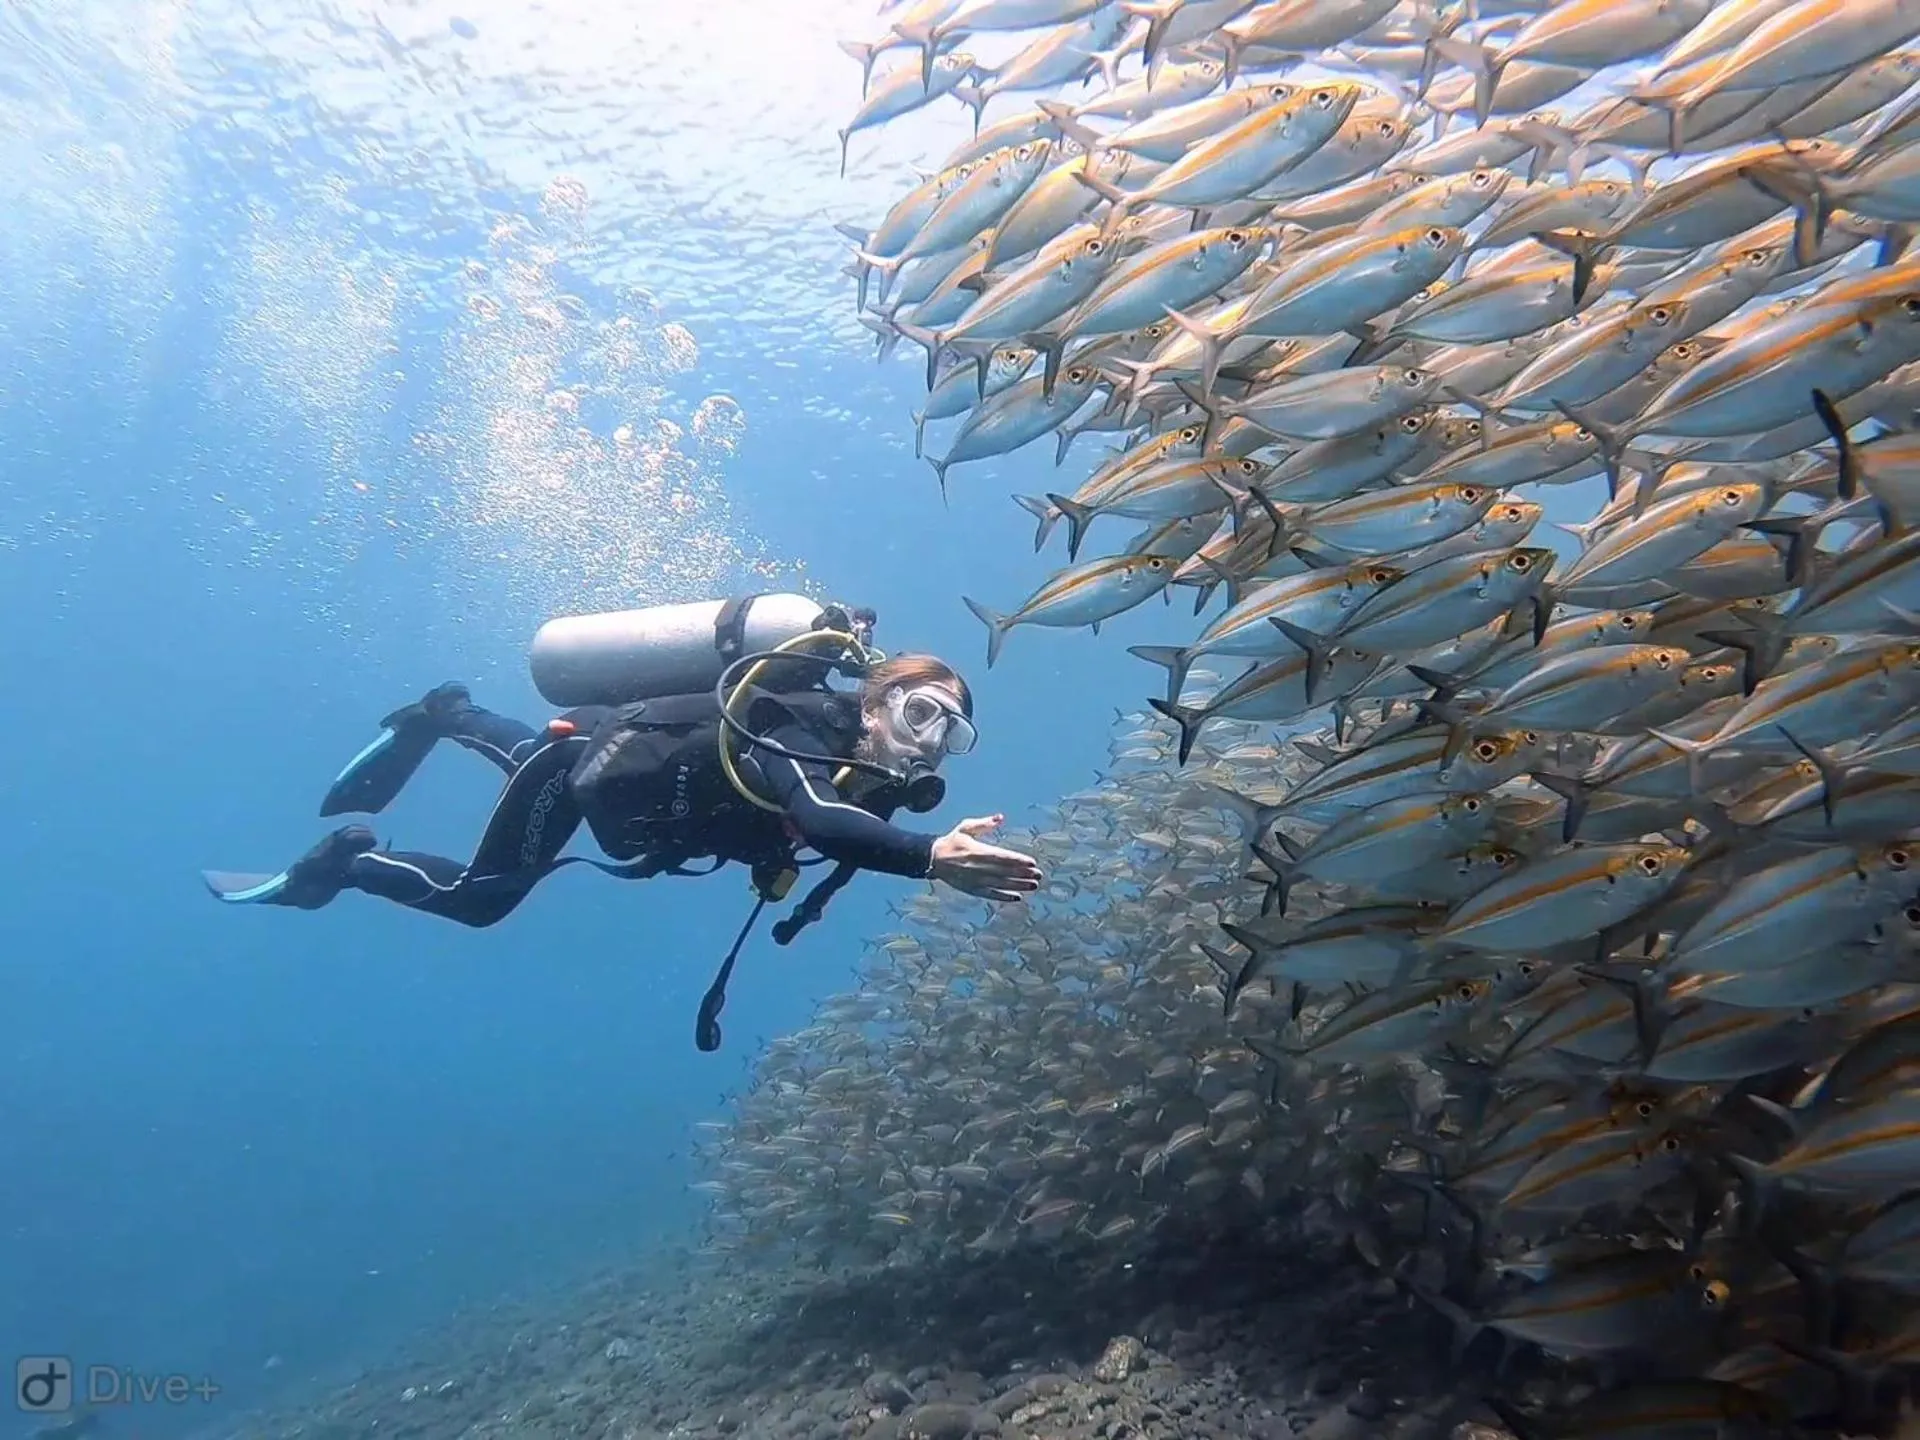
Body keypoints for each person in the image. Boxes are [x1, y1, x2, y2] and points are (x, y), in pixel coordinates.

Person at [202, 652, 1045, 928]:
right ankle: (345, 864)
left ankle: (446, 711)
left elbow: (830, 835)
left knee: (538, 753)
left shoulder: (867, 789)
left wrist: (923, 840)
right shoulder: (797, 724)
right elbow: (817, 819)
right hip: (595, 777)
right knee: (481, 899)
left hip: (616, 781)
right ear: (874, 700)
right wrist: (931, 857)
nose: (927, 740)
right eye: (921, 712)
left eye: (949, 734)